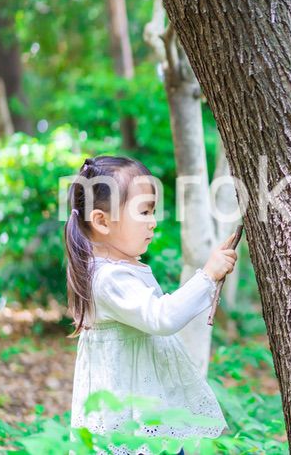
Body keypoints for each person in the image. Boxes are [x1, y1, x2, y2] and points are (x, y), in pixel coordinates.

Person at [65, 155, 237, 455]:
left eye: (152, 211)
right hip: (131, 425)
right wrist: (208, 276)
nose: (153, 221)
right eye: (144, 212)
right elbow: (162, 317)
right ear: (102, 221)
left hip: (149, 413)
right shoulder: (108, 278)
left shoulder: (121, 268)